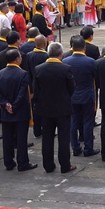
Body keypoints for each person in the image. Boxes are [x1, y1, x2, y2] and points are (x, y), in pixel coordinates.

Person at [30, 43, 76, 173]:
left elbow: (36, 90)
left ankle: (48, 165)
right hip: (62, 108)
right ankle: (65, 165)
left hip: (45, 108)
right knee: (63, 138)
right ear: (61, 54)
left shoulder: (38, 69)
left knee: (47, 138)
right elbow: (71, 88)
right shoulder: (66, 69)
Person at [0, 47, 34, 171]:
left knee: (7, 138)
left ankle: (8, 162)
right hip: (20, 110)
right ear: (17, 59)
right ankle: (23, 163)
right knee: (21, 139)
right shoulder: (23, 74)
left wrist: (5, 104)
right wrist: (14, 106)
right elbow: (22, 94)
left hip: (6, 111)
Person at [63, 34, 98, 156]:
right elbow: (95, 77)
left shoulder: (65, 61)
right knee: (88, 122)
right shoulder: (90, 62)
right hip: (87, 95)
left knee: (73, 122)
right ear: (84, 47)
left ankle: (75, 148)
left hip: (72, 96)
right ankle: (88, 148)